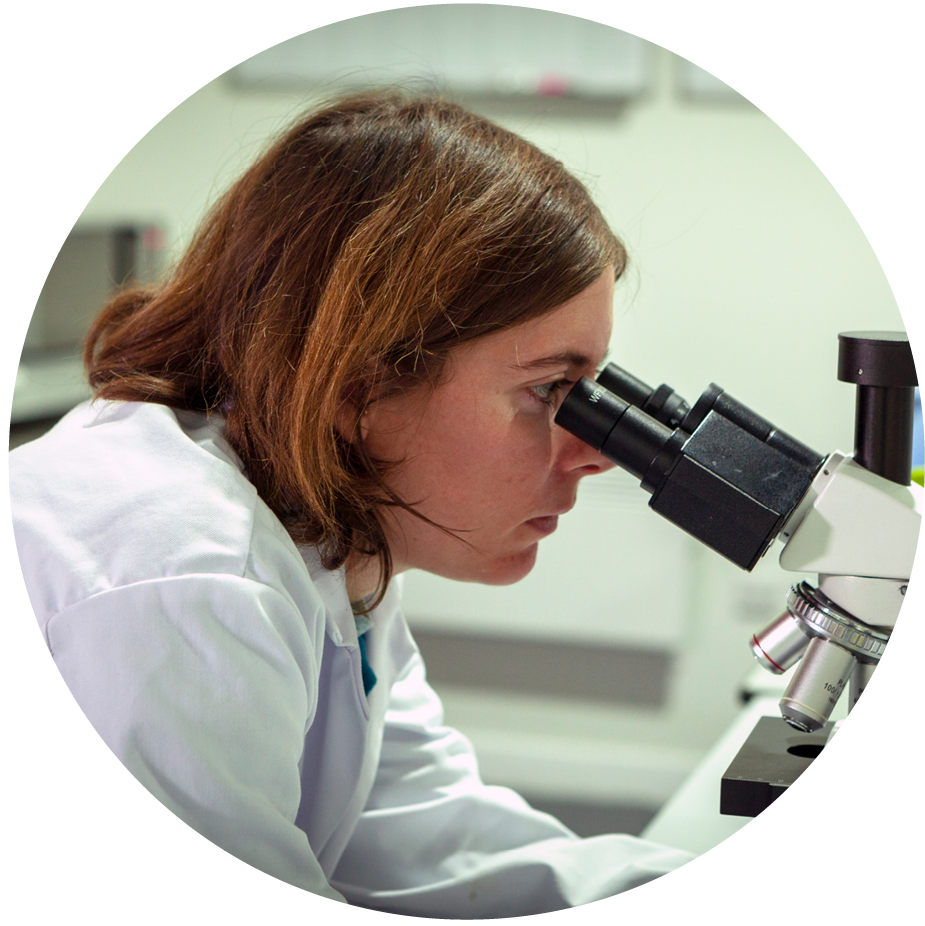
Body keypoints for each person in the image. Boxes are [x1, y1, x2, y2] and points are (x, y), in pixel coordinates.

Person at [11, 90, 694, 917]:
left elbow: (421, 839)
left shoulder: (332, 538)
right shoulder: (188, 575)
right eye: (551, 390)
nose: (595, 455)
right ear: (358, 386)